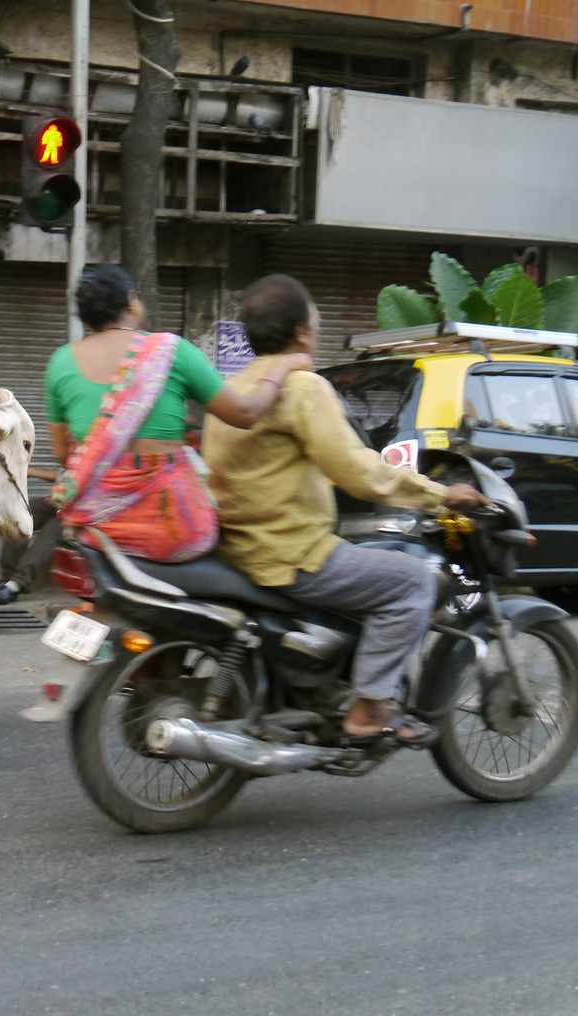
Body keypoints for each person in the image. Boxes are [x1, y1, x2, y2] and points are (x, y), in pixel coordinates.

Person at [202, 274, 489, 746]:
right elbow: (357, 471)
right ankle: (370, 709)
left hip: (238, 548)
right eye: (315, 316)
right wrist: (440, 493)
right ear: (300, 332)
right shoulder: (302, 387)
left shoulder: (234, 390)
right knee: (413, 582)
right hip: (290, 553)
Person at [45, 264, 310, 563]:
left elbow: (64, 455)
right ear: (132, 300)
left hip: (96, 531)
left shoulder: (60, 362)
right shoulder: (170, 351)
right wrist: (282, 366)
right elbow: (245, 414)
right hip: (175, 533)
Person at [0, 470, 61, 605]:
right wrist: (31, 472)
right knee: (20, 514)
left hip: (88, 509)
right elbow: (65, 473)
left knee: (54, 527)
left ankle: (17, 584)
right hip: (61, 500)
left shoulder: (102, 453)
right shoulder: (78, 451)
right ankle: (7, 576)